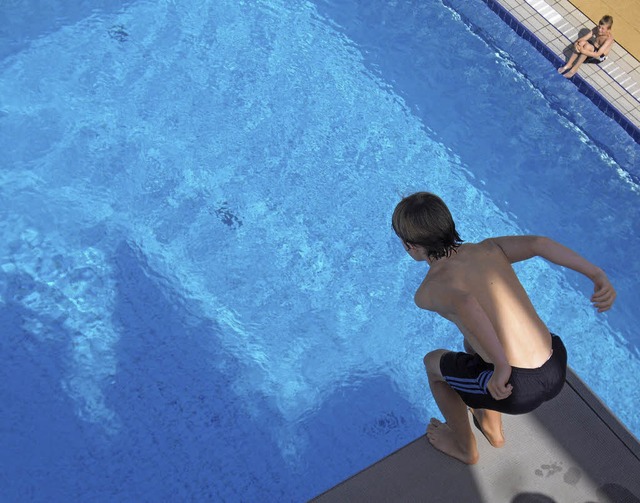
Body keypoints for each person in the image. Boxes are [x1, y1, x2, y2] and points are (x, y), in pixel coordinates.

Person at [391, 192, 616, 464]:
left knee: (432, 364)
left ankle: (465, 448)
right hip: (557, 362)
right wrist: (596, 274)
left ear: (410, 246)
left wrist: (501, 366)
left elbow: (466, 303)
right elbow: (539, 243)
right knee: (470, 344)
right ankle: (490, 424)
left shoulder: (427, 291)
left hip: (516, 388)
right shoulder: (490, 248)